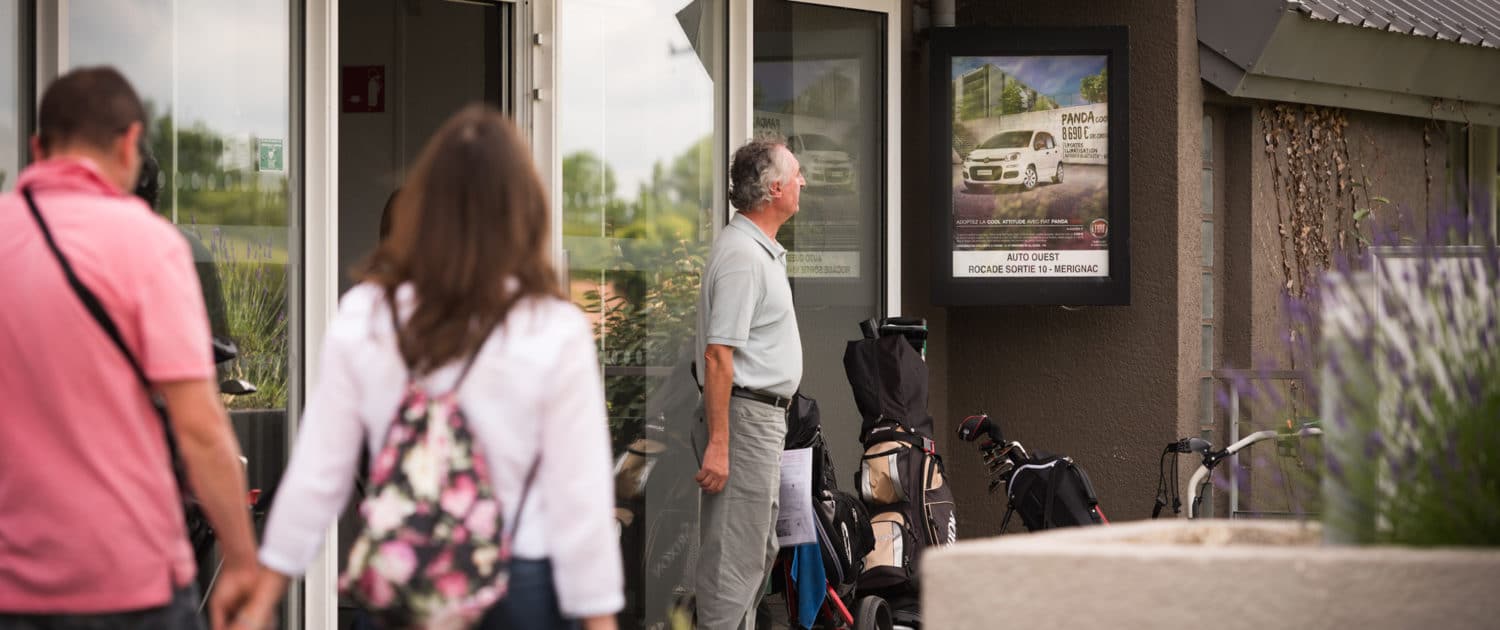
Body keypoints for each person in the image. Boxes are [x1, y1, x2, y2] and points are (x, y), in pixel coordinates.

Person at [233, 105, 622, 630]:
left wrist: (264, 592)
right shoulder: (553, 327)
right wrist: (600, 619)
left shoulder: (367, 313)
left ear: (422, 208)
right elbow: (580, 500)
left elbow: (318, 473)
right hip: (523, 581)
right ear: (522, 211)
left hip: (405, 578)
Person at [0, 67, 258, 628]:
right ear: (129, 146)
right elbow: (199, 426)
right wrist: (241, 556)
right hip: (127, 579)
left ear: (37, 148)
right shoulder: (151, 247)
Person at [693, 138, 806, 630]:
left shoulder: (757, 250)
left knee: (755, 551)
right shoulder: (742, 255)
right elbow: (718, 355)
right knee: (733, 564)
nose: (805, 182)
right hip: (744, 419)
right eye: (797, 174)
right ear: (773, 187)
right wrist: (720, 443)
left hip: (758, 418)